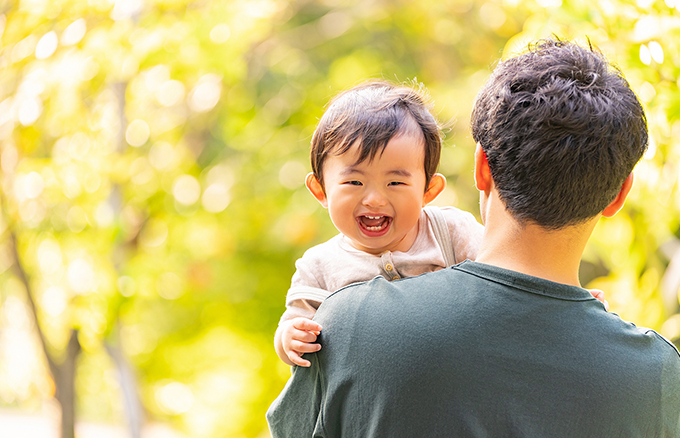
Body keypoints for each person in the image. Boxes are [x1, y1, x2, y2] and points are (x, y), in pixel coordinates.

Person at [266, 39, 680, 437]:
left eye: (395, 180)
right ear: (619, 194)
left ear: (482, 166)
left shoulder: (345, 326)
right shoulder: (660, 376)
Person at [274, 80, 485, 367]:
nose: (374, 199)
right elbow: (294, 324)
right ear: (321, 190)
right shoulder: (320, 267)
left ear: (428, 191)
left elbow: (503, 278)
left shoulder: (450, 232)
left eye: (395, 182)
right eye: (354, 182)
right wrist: (290, 338)